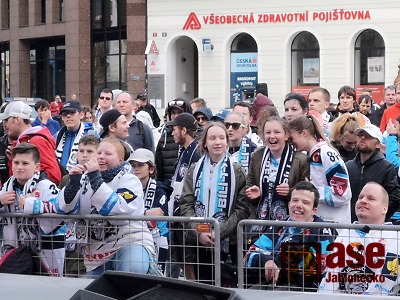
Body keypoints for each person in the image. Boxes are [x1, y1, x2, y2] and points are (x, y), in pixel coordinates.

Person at [56, 137, 161, 276]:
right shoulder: (84, 179)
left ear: (120, 159)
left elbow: (117, 209)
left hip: (129, 241)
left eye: (108, 154)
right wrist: (73, 184)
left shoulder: (130, 180)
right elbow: (63, 208)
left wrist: (94, 177)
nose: (101, 157)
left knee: (133, 271)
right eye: (99, 153)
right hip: (97, 249)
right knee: (95, 291)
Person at [179, 122, 251, 284]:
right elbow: (186, 204)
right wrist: (200, 232)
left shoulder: (237, 171)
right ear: (205, 143)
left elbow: (242, 208)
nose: (217, 142)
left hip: (229, 241)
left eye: (221, 138)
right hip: (200, 241)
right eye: (212, 138)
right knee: (205, 285)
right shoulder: (194, 169)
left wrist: (220, 231)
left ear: (227, 141)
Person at [245, 181, 335, 290]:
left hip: (302, 290)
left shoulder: (322, 230)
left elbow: (316, 267)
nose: (298, 205)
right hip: (268, 283)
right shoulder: (279, 225)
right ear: (289, 205)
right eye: (295, 200)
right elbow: (250, 254)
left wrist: (277, 264)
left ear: (314, 211)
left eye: (305, 202)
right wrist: (267, 261)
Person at [319, 182, 400, 295]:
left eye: (371, 199)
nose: (363, 201)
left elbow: (386, 280)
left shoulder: (394, 236)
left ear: (384, 208)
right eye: (360, 197)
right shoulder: (345, 233)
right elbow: (331, 276)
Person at [0, 143, 65, 276]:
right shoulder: (7, 186)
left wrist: (32, 205)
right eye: (16, 162)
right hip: (16, 251)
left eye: (25, 163)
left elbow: (61, 210)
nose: (19, 167)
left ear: (37, 167)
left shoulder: (46, 186)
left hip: (46, 250)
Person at [246, 116, 309, 230]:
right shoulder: (257, 156)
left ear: (286, 135)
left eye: (277, 132)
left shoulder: (300, 159)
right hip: (261, 221)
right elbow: (249, 185)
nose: (272, 136)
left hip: (290, 221)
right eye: (268, 132)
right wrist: (254, 194)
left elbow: (307, 192)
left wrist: (290, 192)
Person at [289, 115, 352, 224]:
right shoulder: (311, 155)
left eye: (292, 138)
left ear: (304, 133)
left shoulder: (326, 153)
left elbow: (343, 193)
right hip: (320, 224)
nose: (291, 142)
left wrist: (313, 192)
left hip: (335, 225)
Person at [346, 124, 400, 222]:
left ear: (378, 144)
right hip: (350, 226)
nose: (363, 138)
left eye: (368, 136)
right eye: (360, 134)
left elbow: (394, 198)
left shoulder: (386, 167)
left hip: (376, 228)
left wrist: (381, 219)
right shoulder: (348, 166)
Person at [0, 101, 61, 185]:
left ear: (18, 119)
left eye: (6, 120)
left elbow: (54, 176)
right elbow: (15, 181)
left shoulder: (36, 140)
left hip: (36, 197)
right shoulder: (23, 140)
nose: (4, 124)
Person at [129, 148, 169, 273]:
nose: (136, 169)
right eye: (133, 165)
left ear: (151, 169)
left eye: (141, 165)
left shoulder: (159, 191)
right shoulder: (126, 187)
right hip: (131, 239)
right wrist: (145, 214)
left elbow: (158, 218)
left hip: (157, 239)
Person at [167, 112, 201, 216]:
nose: (172, 133)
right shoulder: (185, 150)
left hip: (187, 212)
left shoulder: (196, 152)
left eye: (175, 129)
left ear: (184, 130)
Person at [155, 97, 192, 184]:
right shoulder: (164, 138)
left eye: (180, 113)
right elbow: (159, 170)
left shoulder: (196, 137)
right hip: (168, 187)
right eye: (173, 113)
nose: (175, 116)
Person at [55, 100, 96, 172]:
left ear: (81, 115)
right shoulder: (57, 136)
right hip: (61, 180)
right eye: (64, 114)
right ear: (62, 118)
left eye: (72, 113)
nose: (68, 116)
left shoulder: (91, 134)